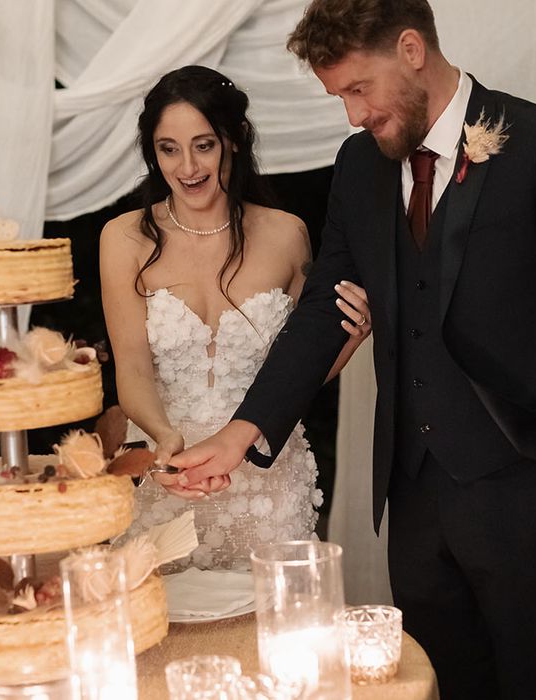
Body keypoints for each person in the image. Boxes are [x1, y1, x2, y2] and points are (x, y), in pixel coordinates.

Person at [170, 2, 536, 698]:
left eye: (360, 89)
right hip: (418, 509)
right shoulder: (360, 166)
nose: (352, 115)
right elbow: (321, 315)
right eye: (339, 98)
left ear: (412, 48)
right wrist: (242, 431)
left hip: (533, 497)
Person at [99, 65, 371, 571]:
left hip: (269, 485)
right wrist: (163, 440)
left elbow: (294, 369)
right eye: (168, 148)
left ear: (236, 139)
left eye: (203, 145)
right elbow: (131, 368)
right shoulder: (124, 238)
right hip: (169, 479)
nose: (187, 167)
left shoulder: (287, 234)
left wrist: (347, 344)